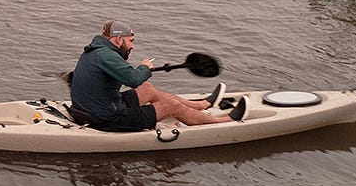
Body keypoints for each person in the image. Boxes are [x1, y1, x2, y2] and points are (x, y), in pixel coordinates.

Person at [68, 21, 236, 132]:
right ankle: (224, 122)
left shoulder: (96, 50)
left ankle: (201, 105)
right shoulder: (107, 56)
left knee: (147, 89)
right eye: (131, 41)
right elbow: (133, 79)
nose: (132, 46)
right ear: (119, 40)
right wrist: (144, 68)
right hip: (106, 118)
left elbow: (125, 75)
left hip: (96, 107)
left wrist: (139, 70)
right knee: (171, 106)